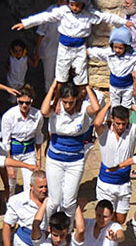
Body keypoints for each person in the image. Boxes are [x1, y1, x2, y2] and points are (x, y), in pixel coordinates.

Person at [13, 0, 127, 85]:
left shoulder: (89, 15)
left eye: (77, 5)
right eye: (71, 4)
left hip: (79, 49)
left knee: (80, 79)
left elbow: (105, 17)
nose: (74, 8)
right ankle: (54, 101)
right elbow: (44, 17)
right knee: (58, 78)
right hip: (63, 48)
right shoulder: (62, 12)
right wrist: (26, 23)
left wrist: (123, 22)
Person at [39, 81, 100, 218]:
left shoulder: (83, 108)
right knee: (54, 201)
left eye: (70, 102)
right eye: (65, 102)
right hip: (55, 160)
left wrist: (86, 87)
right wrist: (53, 87)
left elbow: (96, 108)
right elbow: (44, 111)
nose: (67, 106)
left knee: (69, 201)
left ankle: (68, 227)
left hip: (75, 161)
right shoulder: (56, 108)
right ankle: (47, 225)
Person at [95, 104, 136, 224]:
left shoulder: (132, 131)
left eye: (124, 124)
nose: (121, 127)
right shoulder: (105, 131)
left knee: (120, 220)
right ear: (112, 119)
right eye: (117, 123)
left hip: (124, 184)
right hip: (106, 184)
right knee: (105, 220)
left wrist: (134, 108)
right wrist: (108, 105)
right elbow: (97, 123)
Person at [87, 27, 136, 107]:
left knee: (126, 107)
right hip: (114, 87)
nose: (117, 50)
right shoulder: (109, 54)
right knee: (114, 106)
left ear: (126, 47)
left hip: (127, 88)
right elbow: (95, 52)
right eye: (115, 47)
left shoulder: (132, 57)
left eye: (120, 48)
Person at [1, 84, 44, 193]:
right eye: (21, 102)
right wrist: (9, 164)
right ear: (17, 101)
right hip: (13, 153)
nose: (24, 105)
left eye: (27, 103)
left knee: (30, 183)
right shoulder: (9, 116)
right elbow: (6, 141)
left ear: (31, 102)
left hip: (29, 152)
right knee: (11, 183)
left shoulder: (38, 115)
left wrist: (39, 159)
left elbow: (38, 136)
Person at [33, 0, 66, 90]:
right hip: (49, 51)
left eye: (62, 0)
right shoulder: (51, 11)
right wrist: (37, 51)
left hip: (63, 52)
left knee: (62, 78)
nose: (59, 3)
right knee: (49, 79)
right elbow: (41, 33)